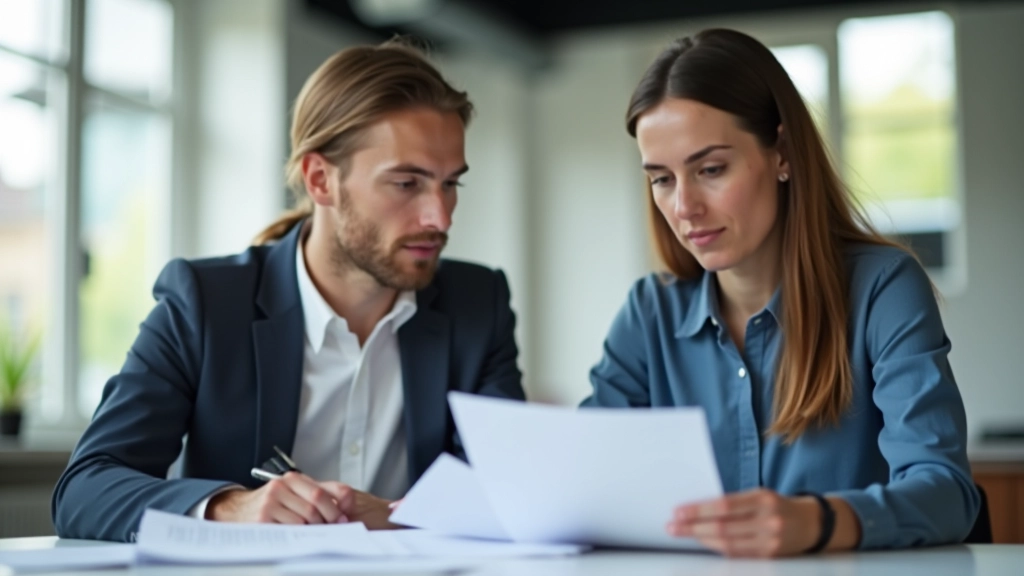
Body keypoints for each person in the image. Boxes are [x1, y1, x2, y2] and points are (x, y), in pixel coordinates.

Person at [52, 40, 525, 542]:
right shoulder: (205, 303)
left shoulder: (479, 302)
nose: (441, 216)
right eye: (407, 183)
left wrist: (391, 513)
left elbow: (512, 489)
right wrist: (231, 507)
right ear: (321, 179)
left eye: (451, 184)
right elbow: (85, 488)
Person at [582, 28, 979, 557]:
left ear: (783, 153)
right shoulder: (649, 312)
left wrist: (817, 522)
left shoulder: (883, 288)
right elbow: (582, 479)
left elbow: (946, 492)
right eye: (662, 179)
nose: (684, 207)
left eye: (711, 169)